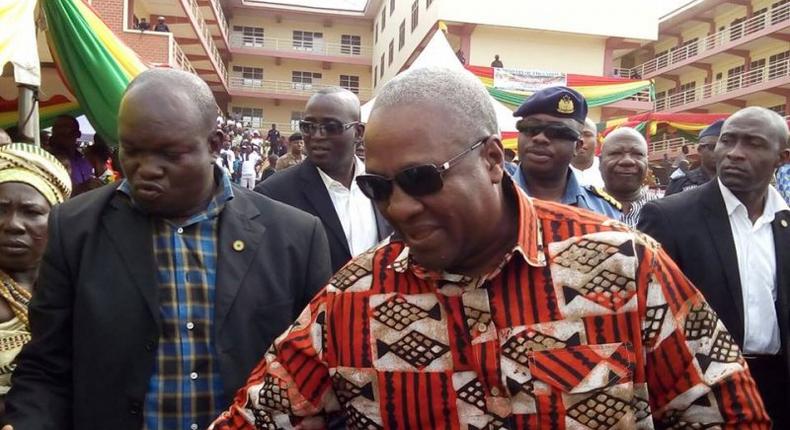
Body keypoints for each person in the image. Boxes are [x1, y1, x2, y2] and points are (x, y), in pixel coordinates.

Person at [212, 66, 768, 429]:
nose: (399, 207)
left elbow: (727, 413)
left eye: (422, 178)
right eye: (378, 187)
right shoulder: (352, 299)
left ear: (493, 161)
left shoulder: (626, 266)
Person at [2, 68, 332, 430]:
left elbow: (320, 370)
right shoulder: (75, 228)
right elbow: (46, 367)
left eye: (168, 153)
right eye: (131, 150)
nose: (146, 169)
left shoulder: (294, 237)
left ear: (215, 144)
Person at [638, 106, 790, 426]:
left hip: (780, 386)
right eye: (728, 141)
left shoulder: (784, 221)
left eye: (753, 144)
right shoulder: (669, 217)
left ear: (782, 157)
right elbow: (648, 314)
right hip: (701, 389)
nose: (735, 153)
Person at [255, 87, 392, 273]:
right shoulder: (272, 196)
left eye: (331, 127)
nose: (317, 136)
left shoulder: (384, 184)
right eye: (308, 127)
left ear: (359, 132)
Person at [0, 143, 70, 413]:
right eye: (1, 209)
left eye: (31, 212)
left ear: (56, 218)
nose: (13, 224)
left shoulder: (76, 286)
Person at [506, 86, 621, 218]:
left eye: (556, 132)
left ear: (577, 146)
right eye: (531, 128)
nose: (540, 138)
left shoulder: (605, 212)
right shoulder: (487, 201)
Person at [599, 127, 659, 227]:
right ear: (600, 162)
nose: (627, 161)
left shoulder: (666, 212)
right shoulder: (582, 206)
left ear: (647, 162)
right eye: (616, 153)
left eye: (637, 154)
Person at [665, 119, 721, 195]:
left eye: (724, 147)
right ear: (700, 150)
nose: (719, 152)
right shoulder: (680, 184)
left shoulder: (738, 184)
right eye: (713, 147)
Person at [49, 115, 93, 194]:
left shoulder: (84, 161)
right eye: (56, 128)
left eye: (66, 129)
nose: (60, 132)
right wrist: (83, 187)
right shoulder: (48, 160)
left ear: (77, 134)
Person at [570, 118, 605, 188]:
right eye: (575, 134)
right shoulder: (555, 169)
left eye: (587, 135)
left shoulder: (608, 169)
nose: (580, 139)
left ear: (597, 140)